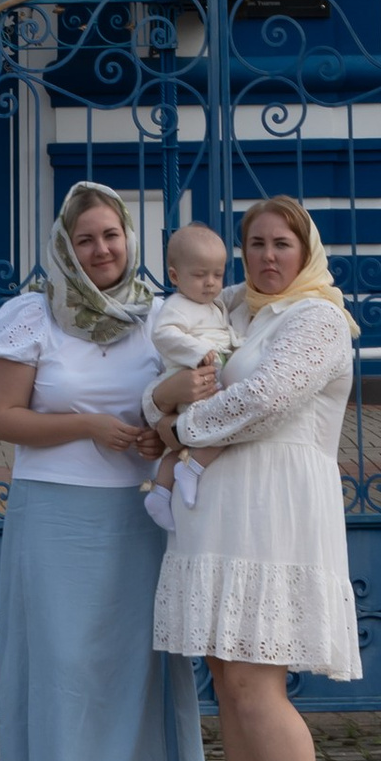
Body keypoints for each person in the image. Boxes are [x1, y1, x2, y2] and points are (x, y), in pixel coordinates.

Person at [0, 182, 209, 761]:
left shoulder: (158, 319)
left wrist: (156, 433)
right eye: (87, 239)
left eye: (112, 235)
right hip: (54, 514)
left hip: (137, 516)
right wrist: (87, 427)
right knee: (61, 667)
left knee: (116, 672)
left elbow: (182, 401)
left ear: (129, 239)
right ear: (65, 247)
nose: (102, 249)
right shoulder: (32, 316)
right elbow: (2, 419)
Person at [150, 191, 361, 761]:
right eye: (256, 243)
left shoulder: (319, 318)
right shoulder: (233, 310)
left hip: (277, 509)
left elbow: (268, 398)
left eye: (282, 243)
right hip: (222, 512)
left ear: (306, 250)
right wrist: (168, 411)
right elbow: (167, 365)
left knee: (258, 686)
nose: (268, 256)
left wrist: (182, 427)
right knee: (229, 679)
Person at [139, 224, 238, 534]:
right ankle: (193, 468)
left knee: (178, 449)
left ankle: (161, 493)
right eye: (200, 275)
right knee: (226, 422)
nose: (210, 283)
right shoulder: (177, 306)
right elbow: (164, 335)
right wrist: (199, 352)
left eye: (218, 274)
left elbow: (224, 333)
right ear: (175, 276)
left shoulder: (215, 304)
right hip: (188, 377)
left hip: (206, 374)